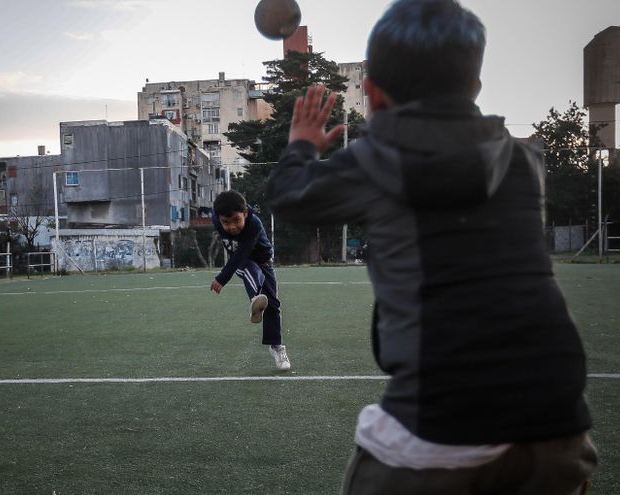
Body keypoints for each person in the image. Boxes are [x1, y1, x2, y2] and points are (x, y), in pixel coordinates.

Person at [265, 1, 596, 493]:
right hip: (561, 425)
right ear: (476, 86)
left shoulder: (380, 160)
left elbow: (285, 196)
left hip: (443, 417)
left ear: (373, 95)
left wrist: (303, 145)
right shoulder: (528, 162)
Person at [211, 190, 291, 371]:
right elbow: (239, 257)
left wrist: (222, 278)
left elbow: (241, 252)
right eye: (226, 222)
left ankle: (276, 346)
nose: (231, 227)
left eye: (237, 221)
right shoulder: (216, 218)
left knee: (273, 305)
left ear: (245, 213)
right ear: (218, 217)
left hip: (263, 261)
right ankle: (256, 298)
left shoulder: (253, 224)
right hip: (244, 262)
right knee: (247, 268)